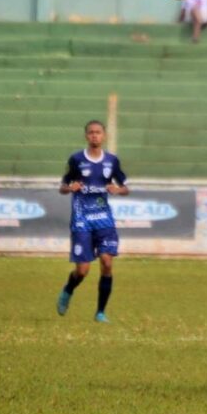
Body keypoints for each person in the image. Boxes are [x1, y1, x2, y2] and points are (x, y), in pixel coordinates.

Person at [56, 120, 129, 323]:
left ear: (104, 136)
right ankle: (68, 289)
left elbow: (126, 187)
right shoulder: (77, 159)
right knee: (83, 270)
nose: (95, 136)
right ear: (86, 136)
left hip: (104, 219)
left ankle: (100, 312)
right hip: (82, 220)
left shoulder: (112, 161)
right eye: (91, 133)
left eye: (98, 132)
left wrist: (118, 189)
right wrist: (70, 188)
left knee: (107, 262)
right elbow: (62, 186)